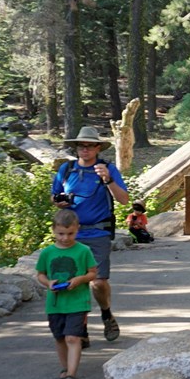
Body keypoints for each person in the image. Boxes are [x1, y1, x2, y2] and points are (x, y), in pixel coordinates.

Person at [52, 126, 130, 343]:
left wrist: (109, 181)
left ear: (97, 148)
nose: (84, 150)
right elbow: (54, 197)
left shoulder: (107, 169)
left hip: (98, 232)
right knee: (74, 282)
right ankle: (81, 330)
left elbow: (124, 200)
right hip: (71, 235)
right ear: (76, 148)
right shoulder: (66, 170)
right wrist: (58, 201)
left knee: (98, 281)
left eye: (89, 146)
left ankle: (106, 313)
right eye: (81, 146)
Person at [34, 209, 98, 379]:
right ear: (54, 230)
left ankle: (71, 374)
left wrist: (79, 280)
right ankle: (64, 369)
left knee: (72, 337)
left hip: (78, 302)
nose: (65, 238)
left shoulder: (83, 251)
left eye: (70, 233)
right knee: (60, 337)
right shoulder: (47, 253)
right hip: (55, 304)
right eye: (61, 233)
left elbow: (93, 273)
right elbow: (40, 274)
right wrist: (48, 283)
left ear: (77, 229)